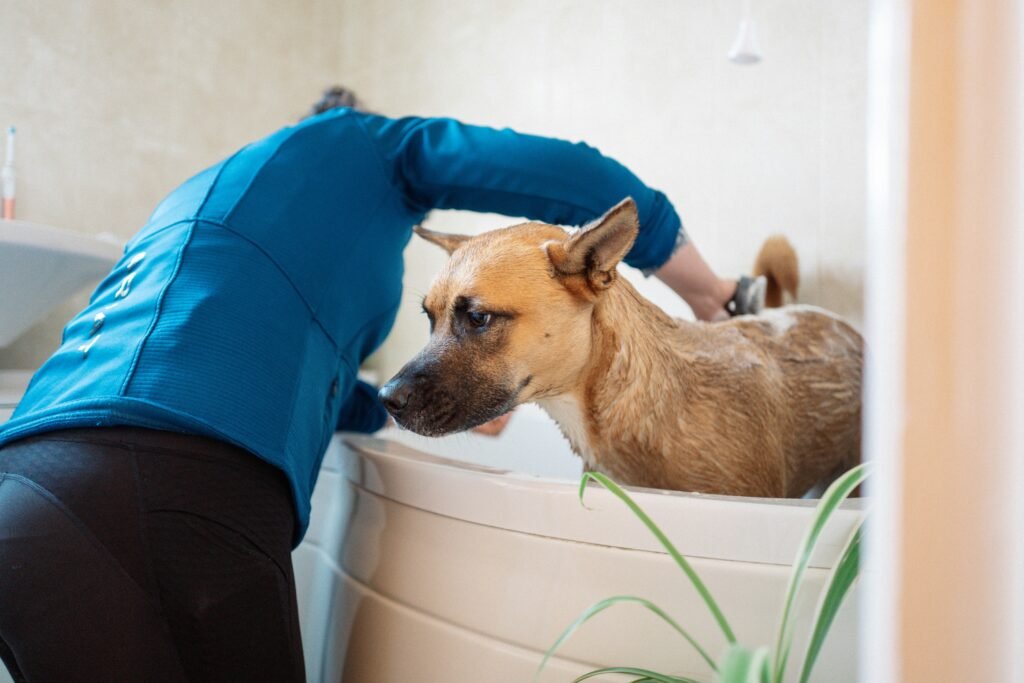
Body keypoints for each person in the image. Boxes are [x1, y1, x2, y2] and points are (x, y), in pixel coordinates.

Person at [0, 87, 763, 682]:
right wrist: (703, 285)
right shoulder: (363, 143)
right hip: (167, 479)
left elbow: (318, 386)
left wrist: (425, 404)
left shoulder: (217, 198)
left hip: (26, 486)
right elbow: (572, 176)